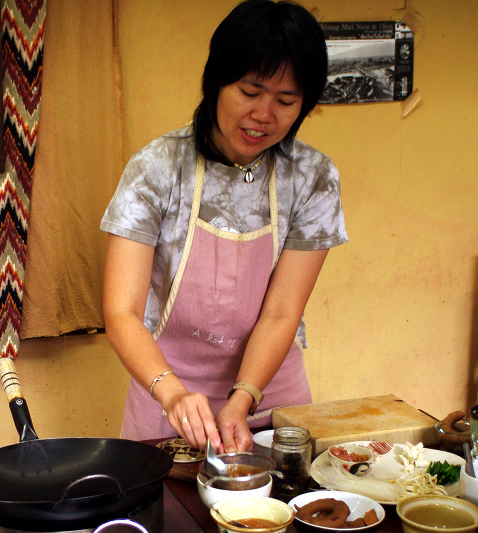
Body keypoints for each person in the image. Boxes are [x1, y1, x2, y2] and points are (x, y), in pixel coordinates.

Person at [100, 0, 347, 454]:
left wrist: (243, 398)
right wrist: (171, 391)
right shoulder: (156, 168)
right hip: (165, 391)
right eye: (250, 92)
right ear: (216, 82)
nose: (264, 115)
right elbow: (121, 312)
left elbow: (281, 313)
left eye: (286, 101)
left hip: (270, 395)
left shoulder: (313, 177)